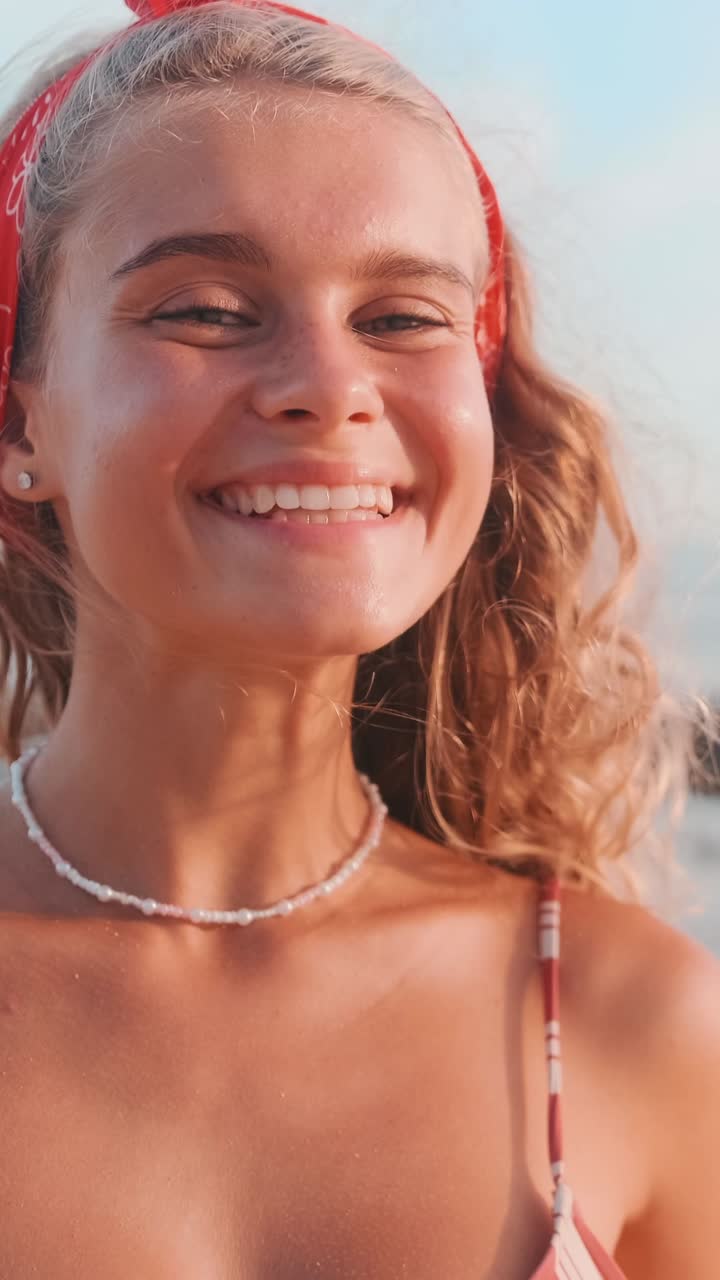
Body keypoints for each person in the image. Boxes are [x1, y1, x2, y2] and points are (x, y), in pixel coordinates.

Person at [0, 1, 717, 1275]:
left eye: (402, 319)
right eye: (208, 310)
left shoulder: (628, 1022)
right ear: (20, 429)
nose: (329, 385)